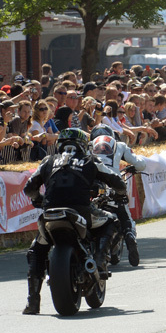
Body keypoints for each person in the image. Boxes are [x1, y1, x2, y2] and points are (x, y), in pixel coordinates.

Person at [21, 128, 128, 315]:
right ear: (82, 145)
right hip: (81, 211)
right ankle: (100, 260)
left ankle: (33, 302)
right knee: (111, 220)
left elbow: (29, 188)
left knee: (36, 251)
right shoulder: (91, 160)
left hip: (50, 213)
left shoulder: (48, 161)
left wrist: (38, 198)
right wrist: (120, 194)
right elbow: (118, 182)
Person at [90, 124, 147, 266]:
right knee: (123, 211)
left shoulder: (88, 146)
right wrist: (140, 159)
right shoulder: (120, 145)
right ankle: (129, 235)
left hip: (92, 184)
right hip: (113, 181)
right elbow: (140, 165)